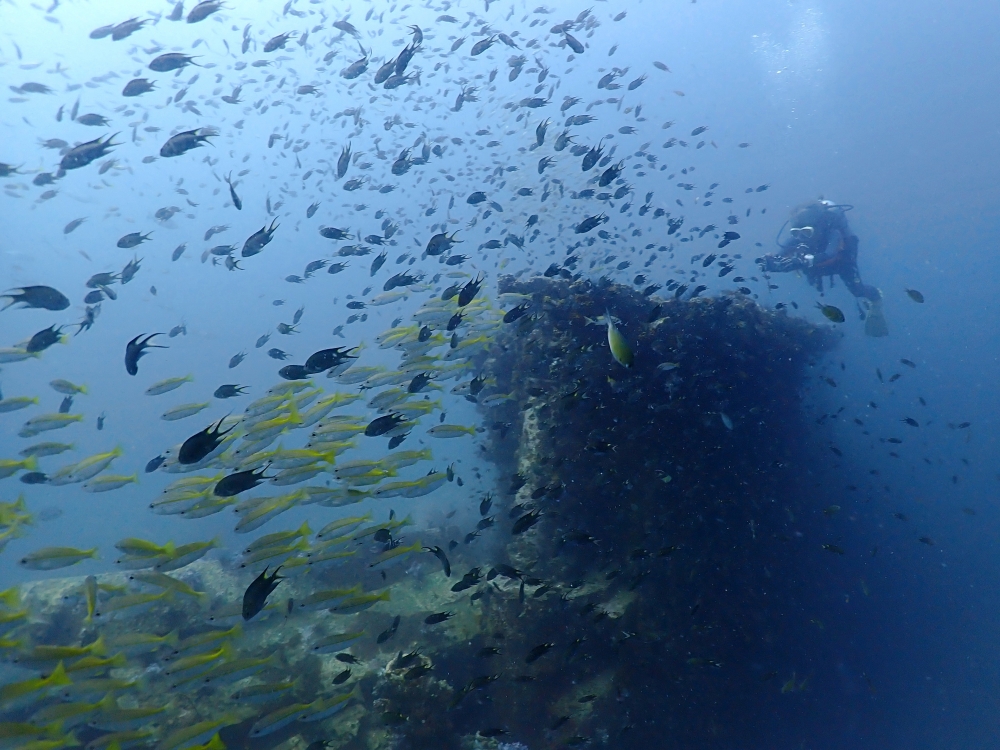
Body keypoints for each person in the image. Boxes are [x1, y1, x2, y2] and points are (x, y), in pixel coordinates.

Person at [758, 199, 888, 337]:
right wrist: (772, 263)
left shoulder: (833, 233)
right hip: (816, 265)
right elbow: (781, 253)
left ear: (818, 227)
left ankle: (876, 300)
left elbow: (830, 254)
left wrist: (802, 261)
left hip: (841, 263)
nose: (801, 237)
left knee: (857, 290)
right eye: (796, 233)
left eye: (807, 232)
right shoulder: (800, 236)